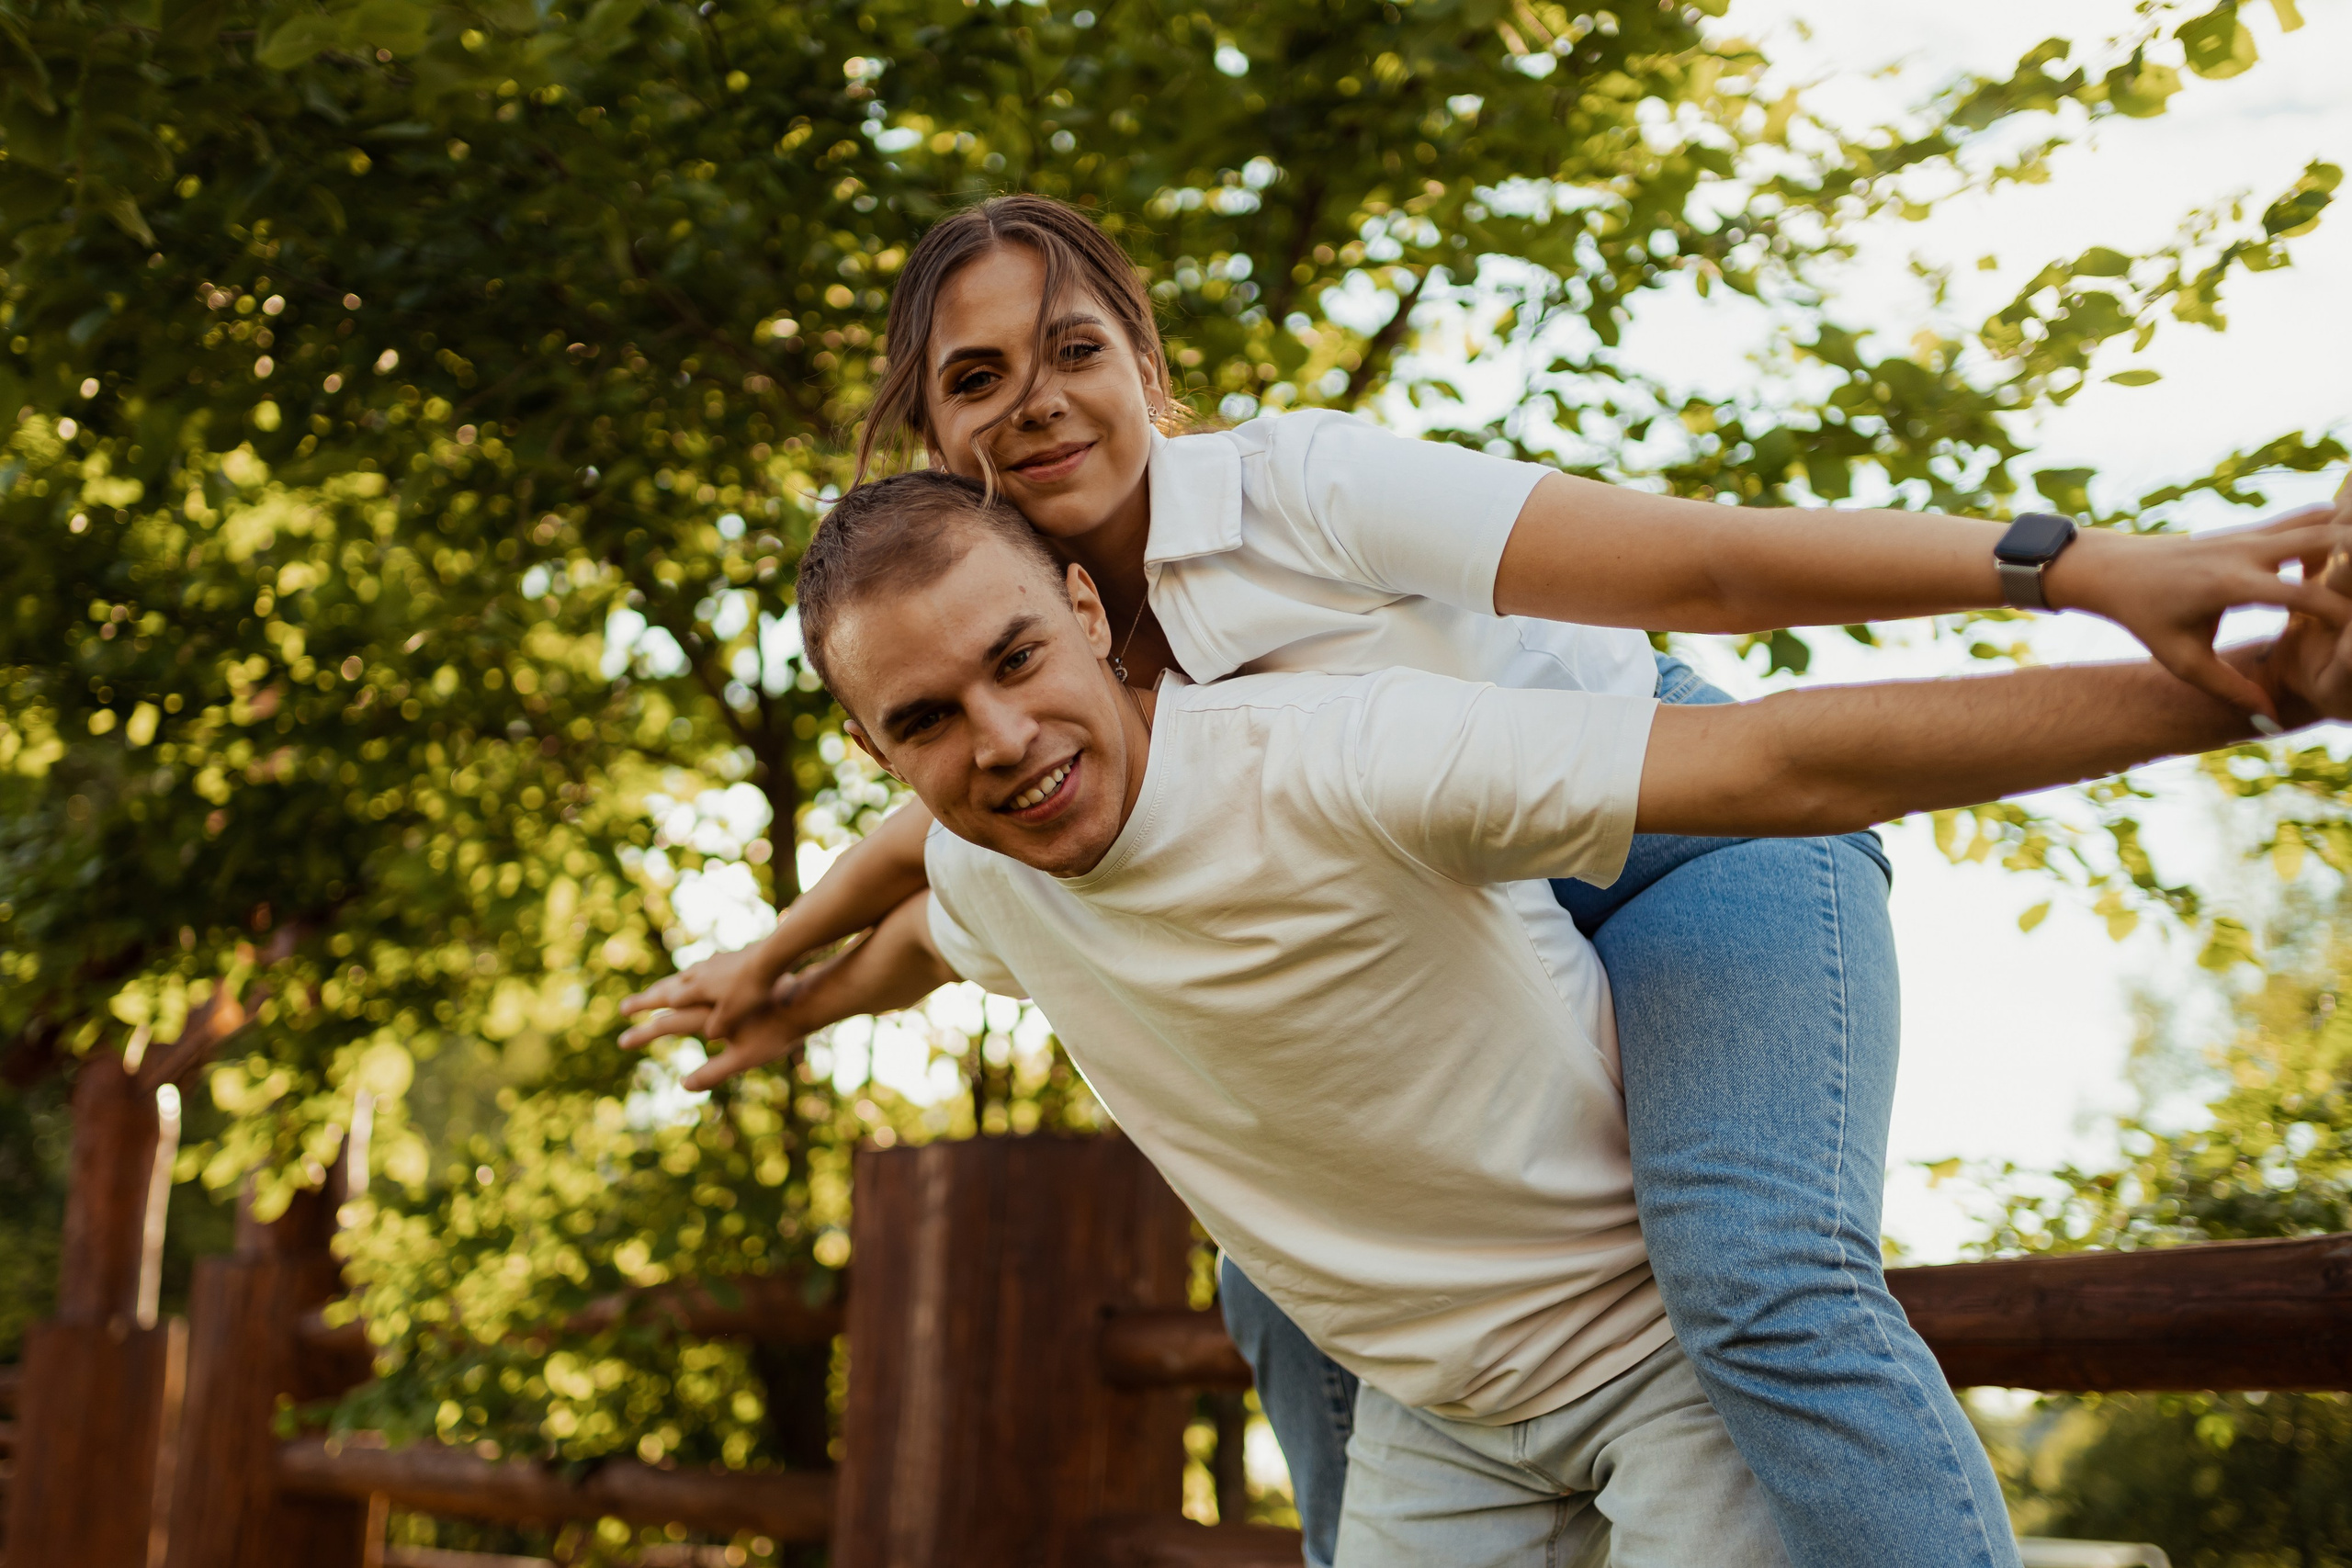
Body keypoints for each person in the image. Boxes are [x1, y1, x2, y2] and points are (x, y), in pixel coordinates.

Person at [624, 195, 2342, 1568]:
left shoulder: (1297, 493)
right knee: (1274, 1280)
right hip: (1462, 907)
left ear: (1149, 366)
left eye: (1072, 346)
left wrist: (2077, 569)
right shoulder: (1012, 658)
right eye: (977, 378)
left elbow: (1715, 571)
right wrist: (771, 969)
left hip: (1685, 847)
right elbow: (937, 851)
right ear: (932, 436)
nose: (1036, 399)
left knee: (1750, 1273)